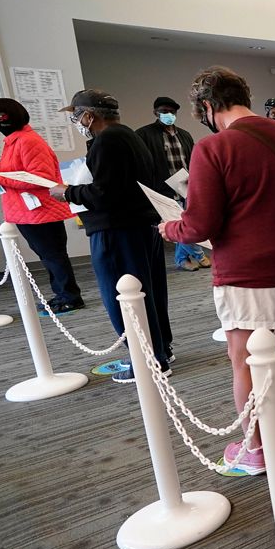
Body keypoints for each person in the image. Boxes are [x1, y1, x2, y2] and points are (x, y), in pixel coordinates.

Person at [159, 66, 275, 474]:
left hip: (251, 271)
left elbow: (199, 225)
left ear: (206, 106)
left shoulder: (213, 148)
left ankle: (254, 449)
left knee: (245, 361)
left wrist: (170, 228)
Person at [50, 89, 173, 383]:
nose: (78, 121)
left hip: (116, 230)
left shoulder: (107, 141)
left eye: (78, 115)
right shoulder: (128, 135)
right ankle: (160, 350)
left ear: (90, 115)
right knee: (149, 292)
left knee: (123, 296)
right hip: (140, 225)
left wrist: (66, 192)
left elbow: (105, 192)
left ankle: (149, 361)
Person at [0, 98, 84, 313]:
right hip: (27, 210)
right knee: (49, 255)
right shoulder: (15, 141)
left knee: (53, 255)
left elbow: (40, 177)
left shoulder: (27, 141)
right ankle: (62, 294)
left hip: (40, 209)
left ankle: (70, 296)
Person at [135, 96, 208, 272]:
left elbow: (192, 159)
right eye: (164, 112)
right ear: (155, 113)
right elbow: (143, 163)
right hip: (162, 188)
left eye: (172, 112)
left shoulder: (184, 135)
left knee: (186, 221)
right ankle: (198, 255)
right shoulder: (144, 134)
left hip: (185, 186)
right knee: (175, 222)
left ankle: (182, 258)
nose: (169, 114)